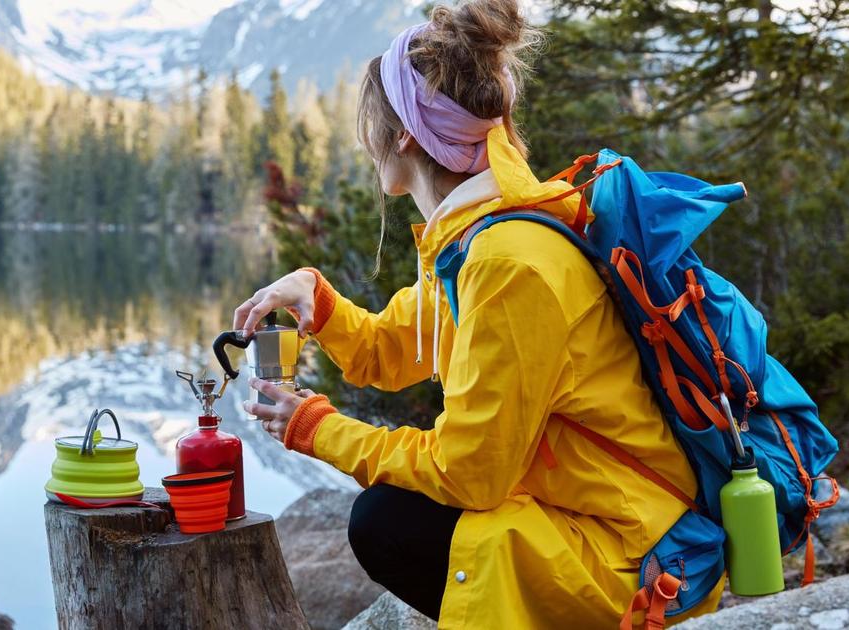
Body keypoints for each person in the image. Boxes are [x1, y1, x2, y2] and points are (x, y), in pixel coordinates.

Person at [233, 0, 724, 626]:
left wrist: (318, 429)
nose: (367, 140)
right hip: (591, 512)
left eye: (371, 123)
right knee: (393, 511)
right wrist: (319, 302)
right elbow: (389, 350)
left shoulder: (507, 260)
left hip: (635, 555)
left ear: (404, 135)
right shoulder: (475, 235)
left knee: (385, 522)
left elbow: (471, 477)